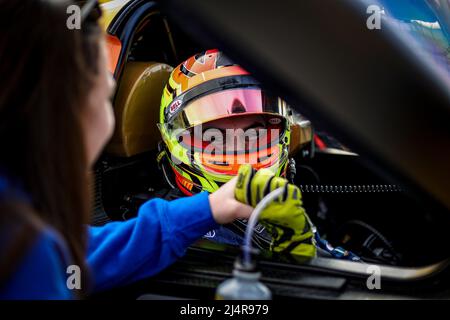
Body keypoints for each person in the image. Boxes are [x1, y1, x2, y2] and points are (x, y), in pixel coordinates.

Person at [0, 0, 255, 299]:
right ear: (63, 109)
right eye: (108, 95)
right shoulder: (25, 248)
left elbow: (83, 251)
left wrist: (210, 208)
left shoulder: (18, 221)